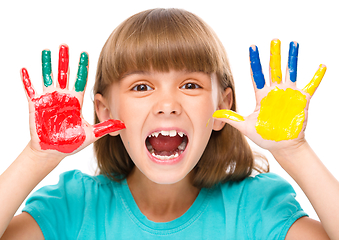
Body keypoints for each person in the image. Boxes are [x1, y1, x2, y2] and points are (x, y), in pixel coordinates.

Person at [0, 8, 337, 239]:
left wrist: (295, 151)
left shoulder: (254, 207)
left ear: (223, 107)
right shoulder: (75, 206)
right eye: (141, 87)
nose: (167, 105)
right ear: (105, 113)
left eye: (190, 85)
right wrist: (38, 157)